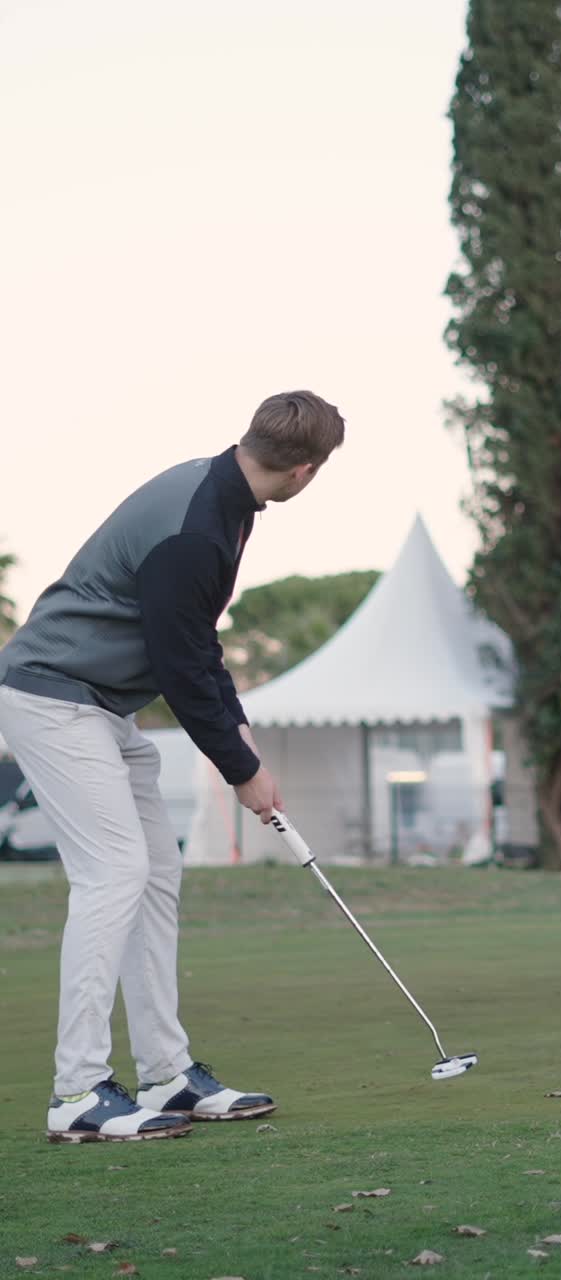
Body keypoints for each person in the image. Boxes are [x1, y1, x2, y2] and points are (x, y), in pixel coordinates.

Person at [0, 390, 345, 1143]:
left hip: (102, 705)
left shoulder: (225, 494)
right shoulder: (199, 525)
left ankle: (167, 1074)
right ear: (307, 471)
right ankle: (77, 1091)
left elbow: (198, 639)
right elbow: (179, 663)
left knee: (155, 873)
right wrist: (238, 769)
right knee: (115, 872)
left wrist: (242, 736)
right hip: (53, 696)